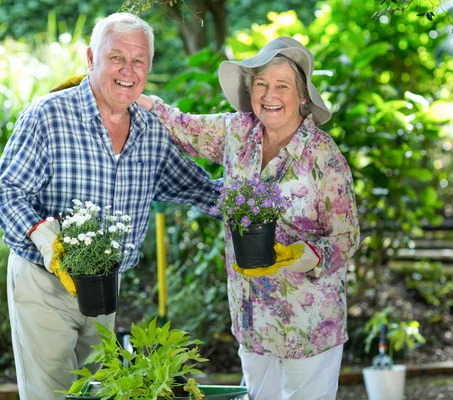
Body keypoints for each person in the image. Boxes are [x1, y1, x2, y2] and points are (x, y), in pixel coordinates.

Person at [0, 13, 219, 400]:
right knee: (53, 394)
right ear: (91, 58)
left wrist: (266, 200)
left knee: (100, 392)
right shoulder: (49, 116)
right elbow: (6, 192)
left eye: (139, 61)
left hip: (105, 290)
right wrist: (47, 240)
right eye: (117, 58)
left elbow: (203, 190)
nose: (128, 71)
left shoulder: (150, 132)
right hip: (43, 283)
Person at [137, 36, 360, 400]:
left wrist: (304, 255)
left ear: (303, 96)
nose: (269, 95)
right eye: (261, 84)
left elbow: (346, 238)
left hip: (307, 323)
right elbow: (182, 127)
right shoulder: (237, 132)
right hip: (251, 317)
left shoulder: (323, 156)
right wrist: (137, 98)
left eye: (282, 86)